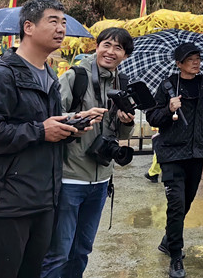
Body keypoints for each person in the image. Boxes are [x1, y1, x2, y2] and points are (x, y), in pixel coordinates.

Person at [0, 0, 91, 278]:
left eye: (64, 22)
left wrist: (69, 128)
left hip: (44, 197)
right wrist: (41, 131)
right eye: (53, 21)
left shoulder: (50, 75)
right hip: (6, 202)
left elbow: (45, 128)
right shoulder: (1, 75)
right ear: (28, 27)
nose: (61, 29)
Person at [41, 28, 136, 278]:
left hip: (102, 179)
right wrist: (78, 121)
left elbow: (122, 135)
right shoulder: (76, 77)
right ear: (97, 46)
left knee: (82, 249)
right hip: (70, 177)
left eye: (118, 48)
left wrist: (126, 121)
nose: (110, 52)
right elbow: (49, 119)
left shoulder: (122, 83)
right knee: (58, 252)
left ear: (125, 55)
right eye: (106, 45)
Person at [146, 42, 203, 278]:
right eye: (190, 59)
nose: (196, 62)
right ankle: (176, 256)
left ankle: (169, 239)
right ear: (179, 64)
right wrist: (169, 108)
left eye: (198, 58)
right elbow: (152, 117)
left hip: (196, 153)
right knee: (176, 205)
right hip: (171, 153)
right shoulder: (167, 85)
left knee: (186, 202)